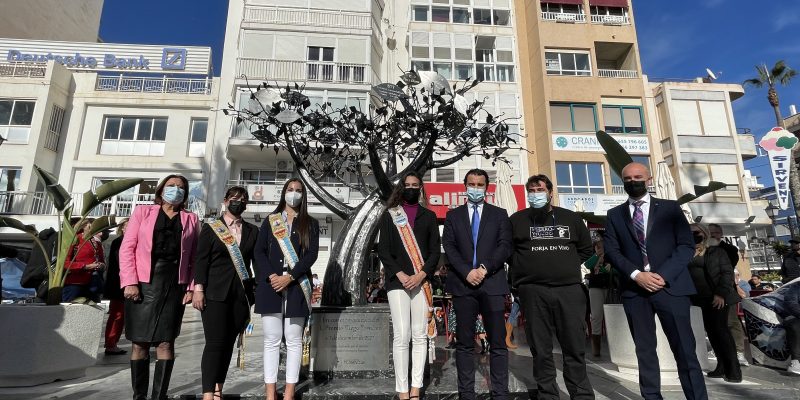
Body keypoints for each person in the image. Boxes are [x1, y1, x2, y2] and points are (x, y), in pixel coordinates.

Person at [603, 162, 708, 399]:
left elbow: (685, 245)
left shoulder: (671, 209)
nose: (633, 181)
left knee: (685, 350)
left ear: (649, 179)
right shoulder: (614, 214)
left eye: (638, 176)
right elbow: (612, 250)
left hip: (670, 287)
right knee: (645, 351)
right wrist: (637, 275)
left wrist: (663, 275)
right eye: (628, 178)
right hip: (635, 291)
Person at [509, 174, 595, 399]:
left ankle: (582, 394)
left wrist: (564, 263)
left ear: (550, 192)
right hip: (533, 291)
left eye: (539, 189)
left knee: (574, 347)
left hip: (569, 290)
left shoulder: (571, 218)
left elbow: (587, 249)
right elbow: (509, 252)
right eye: (531, 190)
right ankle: (548, 394)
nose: (535, 194)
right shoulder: (517, 220)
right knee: (540, 349)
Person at [120, 174, 200, 400]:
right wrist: (130, 281)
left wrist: (191, 286)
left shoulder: (191, 218)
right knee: (140, 342)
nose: (176, 190)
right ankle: (139, 396)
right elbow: (127, 248)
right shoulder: (142, 212)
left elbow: (195, 256)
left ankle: (159, 396)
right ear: (161, 189)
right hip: (144, 282)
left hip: (174, 284)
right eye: (172, 186)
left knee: (166, 341)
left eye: (181, 187)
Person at [442, 168, 512, 399]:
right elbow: (449, 248)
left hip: (491, 283)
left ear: (487, 187)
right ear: (465, 186)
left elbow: (504, 246)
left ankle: (500, 393)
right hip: (463, 285)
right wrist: (466, 272)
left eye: (480, 184)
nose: (475, 188)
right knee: (464, 343)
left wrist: (483, 269)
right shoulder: (453, 215)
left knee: (498, 343)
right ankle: (466, 393)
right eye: (471, 183)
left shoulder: (499, 214)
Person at [377, 171, 440, 400]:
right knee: (402, 336)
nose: (411, 188)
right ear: (401, 188)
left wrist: (422, 274)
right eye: (407, 185)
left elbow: (435, 251)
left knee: (420, 335)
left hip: (422, 283)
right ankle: (402, 389)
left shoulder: (429, 216)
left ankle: (416, 388)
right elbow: (383, 249)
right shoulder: (390, 215)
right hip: (398, 282)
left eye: (415, 185)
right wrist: (401, 274)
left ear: (421, 188)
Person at [254, 178, 319, 400]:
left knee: (293, 339)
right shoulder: (270, 221)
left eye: (298, 190)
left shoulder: (310, 223)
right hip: (270, 286)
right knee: (271, 339)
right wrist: (273, 276)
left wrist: (289, 277)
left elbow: (311, 255)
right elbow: (259, 251)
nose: (294, 194)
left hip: (297, 286)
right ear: (284, 193)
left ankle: (290, 391)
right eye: (290, 190)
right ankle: (270, 392)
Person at [192, 186, 258, 400]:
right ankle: (208, 393)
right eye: (234, 198)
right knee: (214, 343)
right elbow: (201, 261)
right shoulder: (212, 227)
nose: (238, 201)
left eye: (242, 199)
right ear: (226, 201)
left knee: (229, 343)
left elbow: (254, 263)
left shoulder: (252, 231)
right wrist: (198, 289)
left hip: (240, 296)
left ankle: (219, 387)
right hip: (214, 293)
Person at [687, 223, 742, 382]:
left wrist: (720, 294)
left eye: (696, 232)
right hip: (699, 299)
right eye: (690, 232)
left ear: (704, 233)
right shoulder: (687, 251)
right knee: (711, 332)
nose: (694, 235)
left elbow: (726, 273)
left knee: (721, 331)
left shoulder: (716, 251)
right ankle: (721, 366)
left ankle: (734, 369)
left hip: (717, 297)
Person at [63, 218, 105, 303]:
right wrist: (85, 266)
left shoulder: (97, 242)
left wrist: (101, 265)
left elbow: (103, 262)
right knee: (71, 311)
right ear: (85, 226)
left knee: (93, 312)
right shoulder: (74, 240)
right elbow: (64, 263)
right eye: (92, 225)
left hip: (93, 283)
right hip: (74, 284)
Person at [104, 218, 129, 355]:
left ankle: (113, 343)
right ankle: (110, 343)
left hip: (123, 284)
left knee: (122, 316)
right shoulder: (119, 242)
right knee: (117, 315)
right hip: (118, 284)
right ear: (122, 229)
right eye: (127, 226)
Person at [586, 238, 613, 358]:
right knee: (596, 316)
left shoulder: (611, 256)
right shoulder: (594, 257)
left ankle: (613, 345)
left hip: (609, 288)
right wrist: (597, 255)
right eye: (598, 247)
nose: (600, 249)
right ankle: (596, 348)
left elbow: (614, 270)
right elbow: (588, 265)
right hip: (595, 288)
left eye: (602, 246)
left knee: (612, 316)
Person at [777, 282, 800, 375]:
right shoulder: (796, 287)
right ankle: (796, 361)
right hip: (797, 317)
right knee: (795, 325)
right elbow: (791, 303)